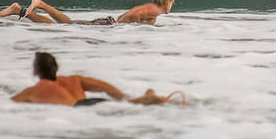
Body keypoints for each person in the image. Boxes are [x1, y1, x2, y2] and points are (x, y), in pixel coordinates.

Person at [11, 52, 185, 107]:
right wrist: (125, 98)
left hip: (77, 110)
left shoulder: (34, 90)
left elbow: (10, 105)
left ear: (35, 72)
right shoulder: (74, 79)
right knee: (129, 105)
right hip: (94, 102)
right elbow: (106, 88)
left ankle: (147, 100)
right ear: (57, 68)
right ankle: (144, 99)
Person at [0, 0, 175, 26]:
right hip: (108, 26)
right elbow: (132, 17)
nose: (171, 7)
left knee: (65, 24)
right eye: (172, 3)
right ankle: (41, 4)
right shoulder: (154, 10)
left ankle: (18, 10)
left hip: (108, 24)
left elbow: (132, 14)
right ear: (166, 1)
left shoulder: (150, 8)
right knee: (65, 24)